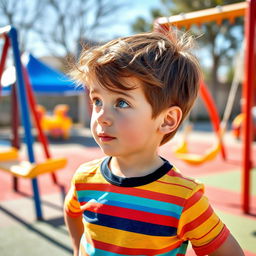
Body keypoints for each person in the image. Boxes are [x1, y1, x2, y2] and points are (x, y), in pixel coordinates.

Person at [64, 31, 244, 256]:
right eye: (97, 101)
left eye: (121, 102)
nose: (101, 116)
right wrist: (76, 248)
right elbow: (71, 212)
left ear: (167, 120)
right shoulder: (84, 178)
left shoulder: (183, 198)